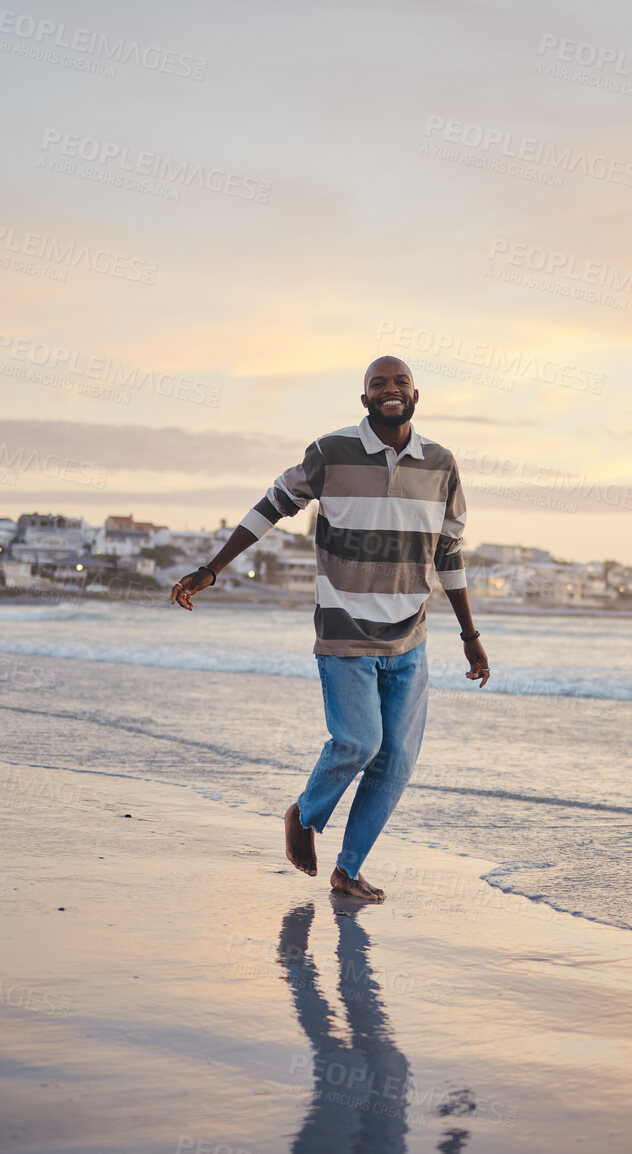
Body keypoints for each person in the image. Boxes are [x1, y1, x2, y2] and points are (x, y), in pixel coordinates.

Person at [170, 356, 491, 901]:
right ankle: (305, 814)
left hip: (410, 635)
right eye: (378, 384)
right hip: (344, 630)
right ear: (364, 397)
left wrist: (470, 634)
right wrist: (212, 568)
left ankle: (348, 870)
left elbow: (449, 552)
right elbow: (271, 505)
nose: (391, 391)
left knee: (397, 761)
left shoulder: (441, 463)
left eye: (401, 383)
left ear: (417, 394)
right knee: (359, 742)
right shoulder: (330, 452)